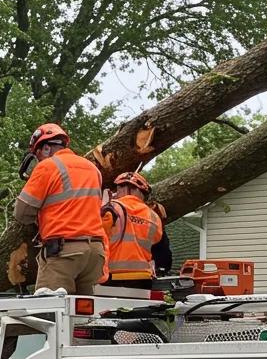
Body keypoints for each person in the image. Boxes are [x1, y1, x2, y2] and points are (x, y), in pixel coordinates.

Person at [14, 124, 106, 294]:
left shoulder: (47, 166)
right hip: (95, 253)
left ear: (46, 148)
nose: (38, 160)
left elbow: (22, 213)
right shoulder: (93, 169)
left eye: (37, 154)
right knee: (84, 315)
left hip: (64, 252)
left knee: (50, 313)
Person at [102, 172, 164, 288]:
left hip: (113, 275)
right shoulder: (154, 217)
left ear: (127, 189)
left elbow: (98, 234)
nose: (118, 191)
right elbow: (157, 240)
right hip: (143, 278)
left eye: (119, 188)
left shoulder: (111, 208)